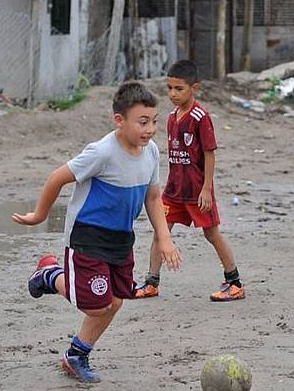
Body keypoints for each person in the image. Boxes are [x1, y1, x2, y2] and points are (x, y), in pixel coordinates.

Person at [13, 82, 182, 383]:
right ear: (119, 120)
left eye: (154, 121)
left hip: (121, 239)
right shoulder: (102, 152)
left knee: (115, 301)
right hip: (87, 237)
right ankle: (50, 275)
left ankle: (76, 354)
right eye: (142, 122)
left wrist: (165, 238)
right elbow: (57, 178)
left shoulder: (151, 152)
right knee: (96, 304)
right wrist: (39, 215)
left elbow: (153, 197)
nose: (150, 129)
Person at [133, 60, 245, 302]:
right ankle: (151, 282)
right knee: (160, 232)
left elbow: (209, 154)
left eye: (179, 89)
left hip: (197, 191)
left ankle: (234, 282)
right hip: (174, 190)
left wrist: (206, 190)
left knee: (212, 234)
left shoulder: (200, 117)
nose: (173, 94)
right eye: (169, 88)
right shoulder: (171, 117)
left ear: (194, 88)